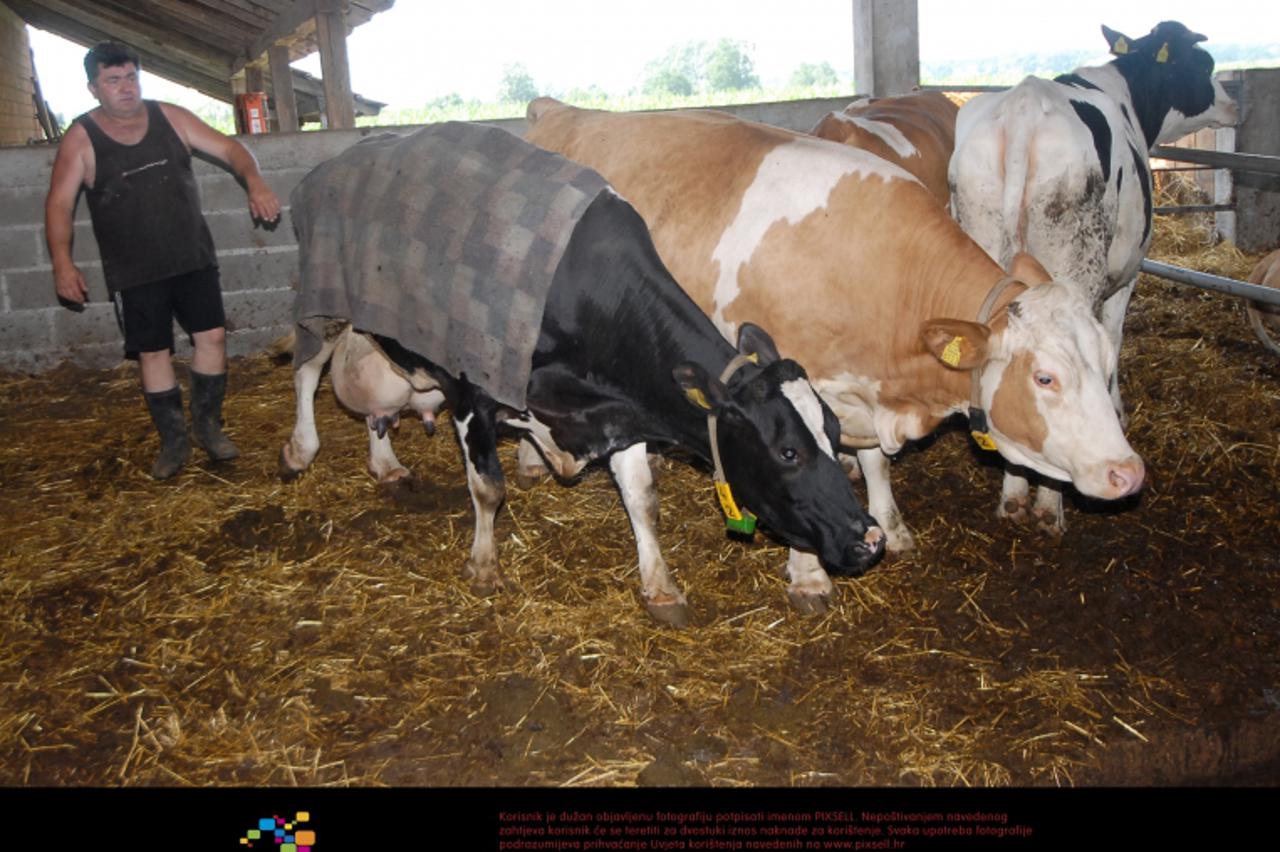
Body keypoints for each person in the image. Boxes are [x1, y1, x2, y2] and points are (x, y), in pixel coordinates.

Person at [45, 41, 281, 479]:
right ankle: (173, 442)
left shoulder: (170, 118)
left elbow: (232, 150)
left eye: (131, 77)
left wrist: (255, 182)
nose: (125, 88)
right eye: (113, 81)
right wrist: (63, 262)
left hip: (191, 256)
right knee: (153, 353)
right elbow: (59, 204)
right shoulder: (82, 138)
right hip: (134, 270)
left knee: (212, 337)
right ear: (94, 87)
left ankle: (208, 428)